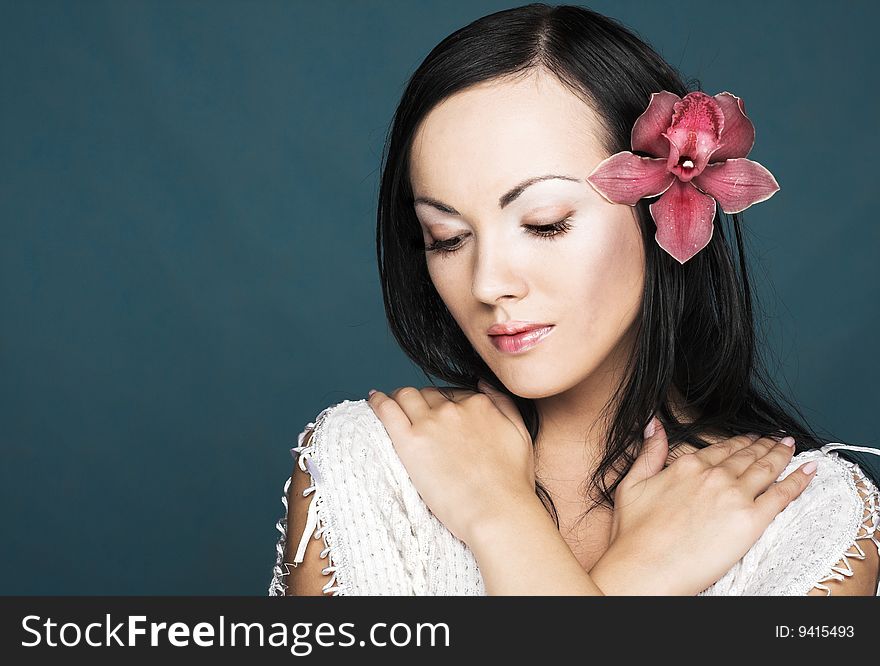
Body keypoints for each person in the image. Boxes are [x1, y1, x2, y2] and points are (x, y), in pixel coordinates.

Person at [269, 3, 880, 596]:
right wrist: (617, 567)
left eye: (545, 224)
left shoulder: (808, 515)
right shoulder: (367, 463)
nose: (487, 284)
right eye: (447, 238)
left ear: (660, 210)